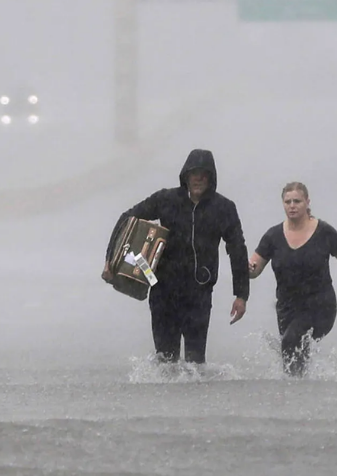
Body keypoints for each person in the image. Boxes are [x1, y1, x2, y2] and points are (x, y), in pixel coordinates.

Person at [102, 148, 249, 364]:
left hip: (199, 292)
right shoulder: (166, 199)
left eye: (204, 174)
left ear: (211, 177)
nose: (198, 179)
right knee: (165, 360)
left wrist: (241, 295)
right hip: (163, 289)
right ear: (186, 176)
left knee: (195, 362)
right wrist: (111, 260)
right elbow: (127, 217)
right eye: (194, 173)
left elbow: (237, 249)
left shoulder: (224, 208)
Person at [248, 181, 337, 377]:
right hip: (287, 307)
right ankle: (305, 387)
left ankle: (294, 389)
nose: (292, 205)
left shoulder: (324, 232)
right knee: (294, 348)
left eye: (297, 201)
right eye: (288, 201)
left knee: (291, 341)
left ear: (307, 202)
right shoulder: (273, 236)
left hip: (320, 305)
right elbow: (254, 268)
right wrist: (247, 268)